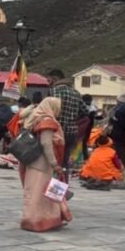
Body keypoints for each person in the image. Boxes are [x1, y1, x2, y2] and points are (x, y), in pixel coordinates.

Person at [19, 96, 72, 232]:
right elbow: (46, 143)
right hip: (42, 164)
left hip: (32, 161)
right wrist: (54, 164)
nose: (59, 110)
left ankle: (35, 220)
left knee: (35, 193)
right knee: (39, 195)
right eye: (58, 107)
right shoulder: (47, 121)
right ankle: (37, 221)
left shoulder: (34, 118)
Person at [48, 69, 88, 176]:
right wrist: (73, 117)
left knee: (54, 160)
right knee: (65, 161)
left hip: (56, 131)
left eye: (49, 81)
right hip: (71, 132)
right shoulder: (76, 93)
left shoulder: (55, 90)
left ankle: (52, 183)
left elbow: (51, 109)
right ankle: (63, 182)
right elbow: (85, 111)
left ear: (55, 79)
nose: (48, 83)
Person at [80, 94, 98, 160]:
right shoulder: (92, 108)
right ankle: (84, 157)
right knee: (83, 142)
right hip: (87, 127)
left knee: (82, 142)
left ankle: (84, 157)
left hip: (83, 127)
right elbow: (95, 117)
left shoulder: (82, 107)